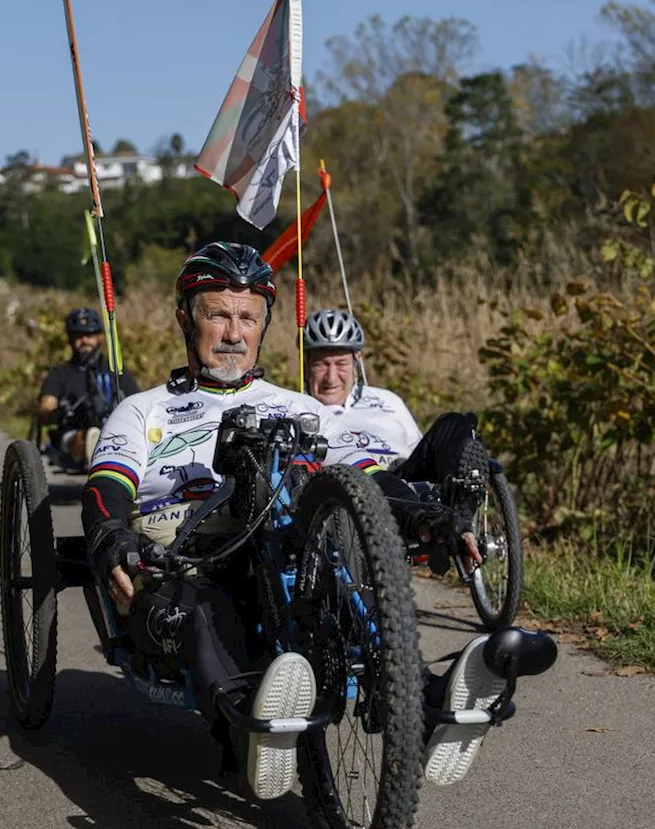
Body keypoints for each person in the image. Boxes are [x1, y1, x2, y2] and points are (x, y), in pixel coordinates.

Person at [82, 241, 511, 800]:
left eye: (248, 318)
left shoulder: (300, 408)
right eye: (218, 315)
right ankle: (250, 719)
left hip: (289, 551)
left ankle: (429, 697)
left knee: (340, 572)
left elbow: (362, 475)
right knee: (199, 608)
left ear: (264, 327)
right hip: (186, 553)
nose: (234, 333)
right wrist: (114, 536)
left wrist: (428, 516)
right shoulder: (144, 409)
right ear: (186, 319)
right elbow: (107, 487)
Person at [303, 306, 486, 574]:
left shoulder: (387, 400)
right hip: (352, 485)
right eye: (321, 364)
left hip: (402, 473)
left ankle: (459, 515)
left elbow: (418, 449)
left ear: (356, 360)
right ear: (306, 362)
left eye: (340, 364)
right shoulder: (300, 408)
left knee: (456, 423)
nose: (331, 377)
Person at [37, 307, 138, 466]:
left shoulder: (115, 370)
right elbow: (45, 408)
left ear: (99, 337)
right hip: (73, 434)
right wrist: (56, 413)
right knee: (83, 438)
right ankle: (95, 451)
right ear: (70, 340)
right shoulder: (59, 374)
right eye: (79, 336)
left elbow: (137, 402)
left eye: (89, 335)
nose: (84, 340)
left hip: (114, 430)